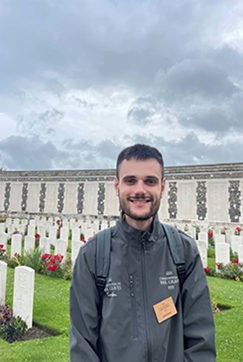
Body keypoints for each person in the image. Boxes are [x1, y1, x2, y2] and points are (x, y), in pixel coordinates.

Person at [70, 144, 216, 362]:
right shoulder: (92, 256)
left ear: (163, 187)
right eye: (130, 180)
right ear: (117, 186)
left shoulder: (183, 252)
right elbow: (83, 347)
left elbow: (201, 342)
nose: (140, 190)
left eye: (150, 181)